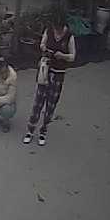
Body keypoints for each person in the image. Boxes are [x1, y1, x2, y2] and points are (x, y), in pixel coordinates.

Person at [24, 18, 76, 146]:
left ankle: (43, 131)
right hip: (45, 70)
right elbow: (42, 44)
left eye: (58, 29)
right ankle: (30, 130)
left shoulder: (69, 37)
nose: (56, 31)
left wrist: (62, 56)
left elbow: (72, 56)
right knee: (38, 102)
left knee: (51, 104)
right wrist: (44, 48)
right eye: (55, 28)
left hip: (58, 73)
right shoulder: (49, 31)